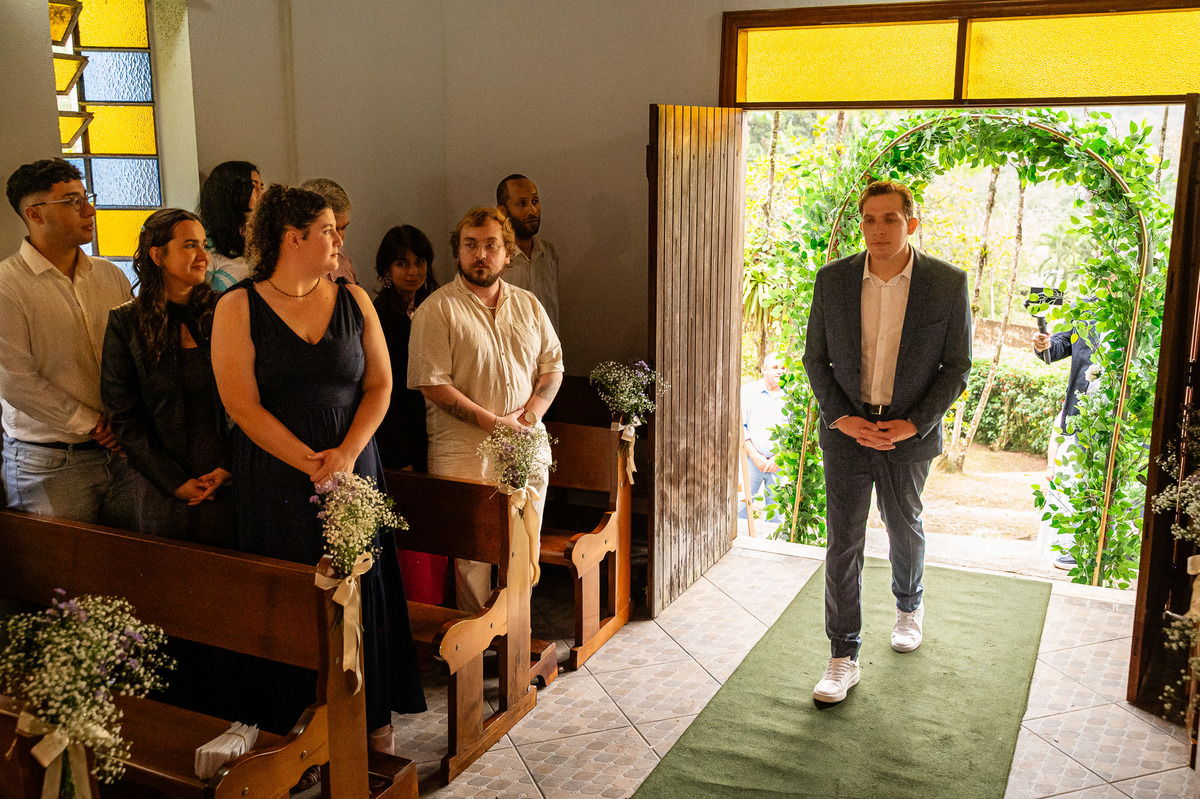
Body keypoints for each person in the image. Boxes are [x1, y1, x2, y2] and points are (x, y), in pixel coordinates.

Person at [211, 184, 425, 751]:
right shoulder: (237, 306)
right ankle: (295, 733)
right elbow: (241, 404)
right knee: (293, 595)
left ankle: (371, 720)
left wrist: (347, 455)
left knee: (362, 585)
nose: (339, 239)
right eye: (329, 230)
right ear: (293, 238)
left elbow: (381, 384)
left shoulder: (354, 301)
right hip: (277, 475)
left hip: (354, 465)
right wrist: (309, 462)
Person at [802, 180, 972, 704]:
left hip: (907, 434)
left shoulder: (946, 283)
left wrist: (914, 423)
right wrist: (841, 419)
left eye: (890, 220)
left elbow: (957, 366)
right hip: (848, 433)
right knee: (844, 542)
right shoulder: (832, 280)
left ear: (911, 224)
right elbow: (816, 358)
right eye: (870, 220)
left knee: (904, 525)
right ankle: (843, 656)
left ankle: (908, 604)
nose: (879, 230)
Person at [409, 206, 564, 611]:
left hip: (527, 442)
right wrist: (495, 423)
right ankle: (475, 655)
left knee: (524, 546)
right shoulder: (436, 310)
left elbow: (553, 367)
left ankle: (515, 638)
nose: (480, 254)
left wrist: (527, 418)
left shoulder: (529, 305)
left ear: (507, 253)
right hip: (463, 451)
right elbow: (432, 383)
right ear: (457, 252)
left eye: (490, 245)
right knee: (472, 559)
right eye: (470, 245)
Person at [0, 158, 135, 528]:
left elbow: (131, 356)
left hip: (121, 453)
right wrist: (93, 424)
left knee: (127, 572)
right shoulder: (7, 285)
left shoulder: (109, 275)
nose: (89, 210)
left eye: (86, 197)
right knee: (63, 582)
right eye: (72, 202)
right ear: (35, 213)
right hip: (50, 461)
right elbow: (15, 381)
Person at [100, 208, 234, 545]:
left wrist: (228, 466)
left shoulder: (227, 310)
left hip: (226, 475)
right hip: (159, 482)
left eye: (205, 245)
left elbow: (256, 395)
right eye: (190, 245)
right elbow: (123, 415)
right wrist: (173, 482)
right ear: (158, 255)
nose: (203, 257)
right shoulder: (125, 323)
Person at [373, 225, 445, 605]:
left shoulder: (439, 306)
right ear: (387, 269)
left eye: (419, 262)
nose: (413, 271)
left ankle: (438, 598)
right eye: (402, 263)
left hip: (434, 420)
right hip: (396, 424)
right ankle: (416, 602)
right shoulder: (377, 314)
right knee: (407, 512)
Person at [1032, 318, 1096, 570]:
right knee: (1073, 481)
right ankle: (1072, 546)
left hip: (1123, 416)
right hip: (1081, 415)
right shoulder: (1086, 311)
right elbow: (1057, 344)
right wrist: (1043, 345)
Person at [497, 174, 560, 332]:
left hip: (549, 353)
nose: (532, 210)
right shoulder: (494, 260)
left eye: (534, 201)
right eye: (521, 203)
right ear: (502, 210)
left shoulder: (548, 254)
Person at [199, 160, 264, 292]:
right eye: (253, 187)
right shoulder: (207, 251)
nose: (262, 194)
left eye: (261, 187)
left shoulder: (263, 242)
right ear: (231, 193)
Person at [741, 352, 785, 521]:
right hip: (750, 461)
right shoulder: (747, 392)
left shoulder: (791, 397)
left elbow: (794, 431)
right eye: (775, 367)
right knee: (740, 508)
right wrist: (754, 455)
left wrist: (779, 457)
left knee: (777, 515)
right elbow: (740, 426)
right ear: (764, 369)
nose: (779, 371)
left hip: (779, 465)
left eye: (782, 368)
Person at [300, 177, 357, 284]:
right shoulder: (290, 270)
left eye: (344, 227)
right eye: (331, 230)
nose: (340, 239)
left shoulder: (343, 260)